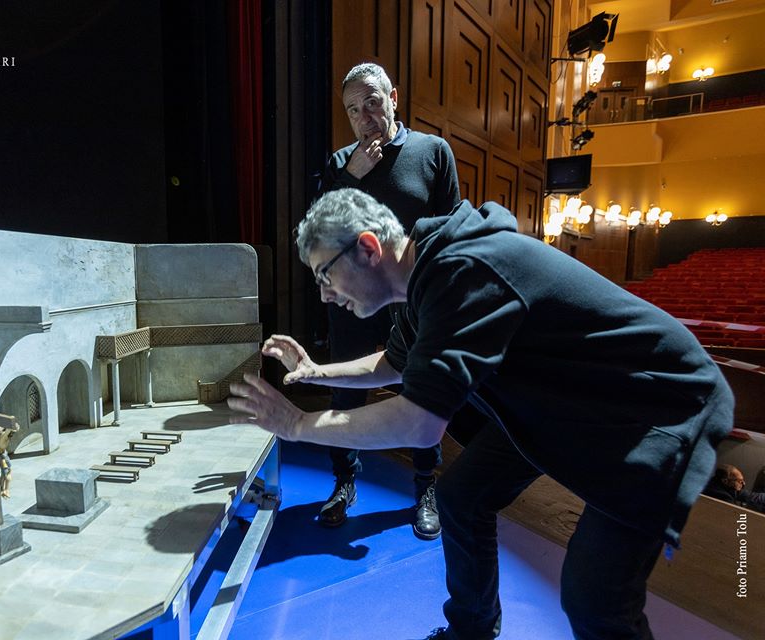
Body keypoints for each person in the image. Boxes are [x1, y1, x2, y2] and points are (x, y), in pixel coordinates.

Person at [228, 188, 733, 639]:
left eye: (325, 273)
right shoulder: (420, 280)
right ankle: (472, 630)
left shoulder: (461, 271)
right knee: (462, 498)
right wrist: (318, 372)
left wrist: (297, 424)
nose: (324, 293)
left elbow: (418, 424)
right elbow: (396, 364)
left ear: (367, 248)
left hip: (654, 407)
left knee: (596, 601)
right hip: (559, 405)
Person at [317, 62, 461, 538]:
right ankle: (344, 481)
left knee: (419, 391)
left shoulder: (432, 152)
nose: (364, 117)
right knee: (346, 389)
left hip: (413, 300)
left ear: (393, 98)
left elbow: (451, 231)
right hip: (356, 299)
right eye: (353, 110)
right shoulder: (340, 163)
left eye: (372, 102)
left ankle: (425, 487)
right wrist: (350, 177)